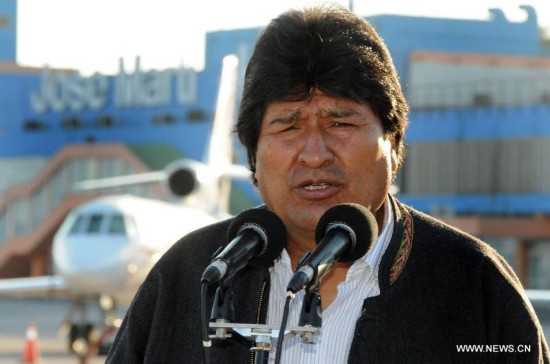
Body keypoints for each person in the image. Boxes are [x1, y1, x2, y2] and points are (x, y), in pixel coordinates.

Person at [107, 5, 549, 363]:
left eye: (341, 122)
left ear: (393, 144)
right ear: (253, 158)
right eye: (288, 126)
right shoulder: (193, 275)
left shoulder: (472, 284)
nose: (314, 153)